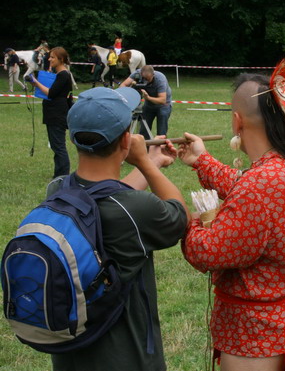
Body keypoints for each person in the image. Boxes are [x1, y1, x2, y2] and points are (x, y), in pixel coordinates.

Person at [178, 68, 285, 371]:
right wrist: (201, 160)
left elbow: (209, 251)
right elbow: (248, 188)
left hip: (258, 338)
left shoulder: (262, 184)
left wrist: (182, 214)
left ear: (237, 120)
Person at [49, 86, 189, 371]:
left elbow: (107, 194)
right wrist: (147, 166)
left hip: (71, 351)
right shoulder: (136, 208)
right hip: (126, 354)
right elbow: (180, 216)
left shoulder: (58, 190)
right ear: (127, 140)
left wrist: (153, 160)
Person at [29, 47, 73, 178]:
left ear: (62, 59)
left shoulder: (63, 75)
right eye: (50, 56)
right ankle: (59, 174)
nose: (49, 59)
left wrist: (36, 83)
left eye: (53, 57)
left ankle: (62, 176)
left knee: (59, 146)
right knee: (56, 146)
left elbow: (51, 93)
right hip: (53, 113)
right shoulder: (59, 74)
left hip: (57, 114)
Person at [120, 65, 172, 139]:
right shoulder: (136, 74)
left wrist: (148, 98)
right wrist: (126, 95)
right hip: (149, 105)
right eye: (144, 78)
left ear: (153, 75)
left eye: (148, 79)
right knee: (144, 131)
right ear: (141, 74)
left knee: (161, 133)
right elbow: (123, 85)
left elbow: (162, 100)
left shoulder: (160, 79)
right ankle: (144, 148)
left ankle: (160, 148)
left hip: (163, 105)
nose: (146, 81)